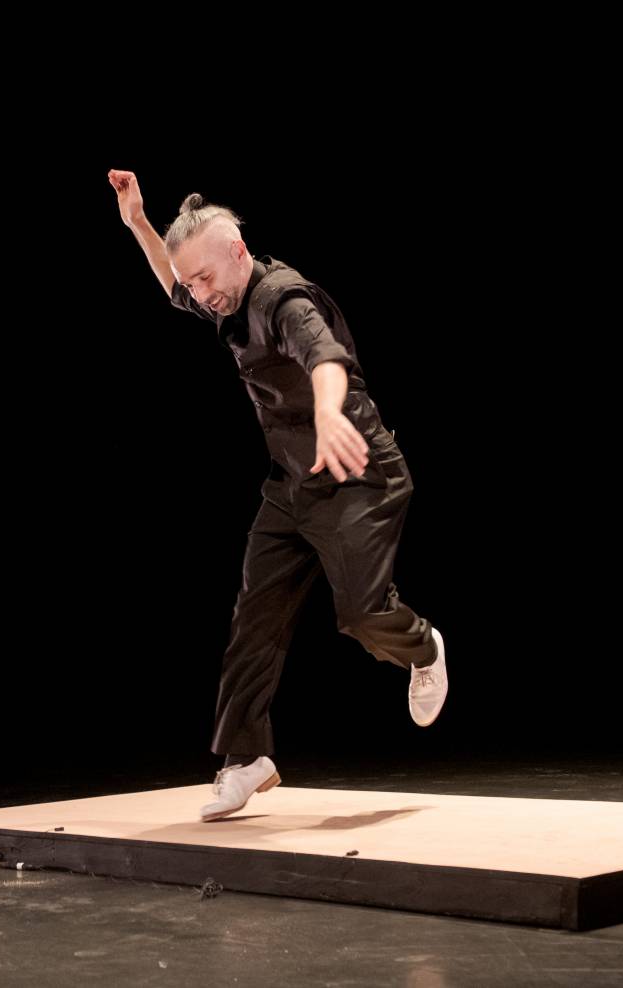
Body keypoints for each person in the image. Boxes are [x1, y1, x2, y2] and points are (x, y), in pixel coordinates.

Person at [105, 169, 447, 822]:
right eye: (193, 283)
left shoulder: (282, 300)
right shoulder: (221, 295)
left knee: (363, 616)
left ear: (238, 252)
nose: (198, 294)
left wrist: (328, 412)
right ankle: (245, 760)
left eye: (204, 278)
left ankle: (424, 647)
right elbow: (173, 283)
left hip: (357, 471)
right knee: (253, 617)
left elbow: (326, 359)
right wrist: (139, 224)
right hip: (292, 482)